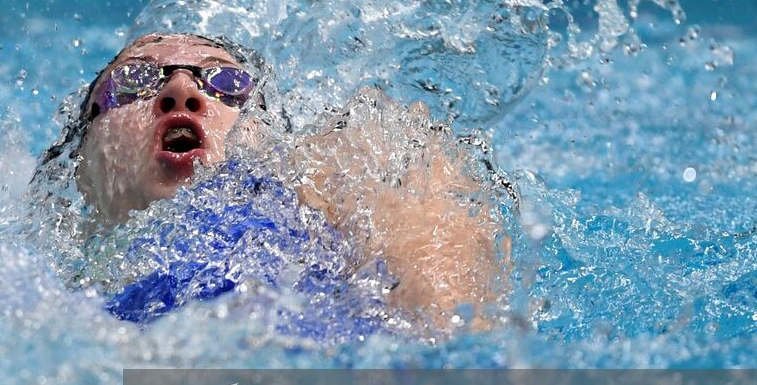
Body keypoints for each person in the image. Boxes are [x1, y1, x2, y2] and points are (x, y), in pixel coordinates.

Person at [42, 32, 508, 336]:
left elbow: (454, 340)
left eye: (226, 82)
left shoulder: (328, 195)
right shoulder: (39, 286)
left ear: (263, 132)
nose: (181, 91)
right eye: (136, 80)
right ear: (77, 164)